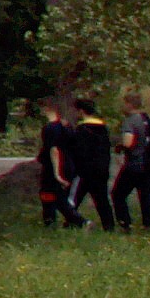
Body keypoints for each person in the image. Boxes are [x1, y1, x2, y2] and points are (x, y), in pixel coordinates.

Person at [66, 94, 120, 230]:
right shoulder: (103, 129)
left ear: (81, 111)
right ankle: (109, 226)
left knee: (74, 198)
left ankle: (72, 222)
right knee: (102, 200)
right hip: (101, 169)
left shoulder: (82, 129)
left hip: (84, 171)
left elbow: (78, 152)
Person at [117, 91, 150, 234]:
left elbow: (128, 142)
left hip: (134, 165)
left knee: (118, 194)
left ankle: (125, 224)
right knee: (146, 194)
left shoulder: (131, 120)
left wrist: (119, 147)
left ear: (129, 104)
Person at [39, 95, 82, 229]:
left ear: (47, 109)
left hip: (54, 166)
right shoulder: (66, 127)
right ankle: (52, 222)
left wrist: (57, 173)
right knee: (57, 196)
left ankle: (79, 222)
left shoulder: (50, 129)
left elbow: (54, 150)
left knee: (53, 196)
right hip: (68, 165)